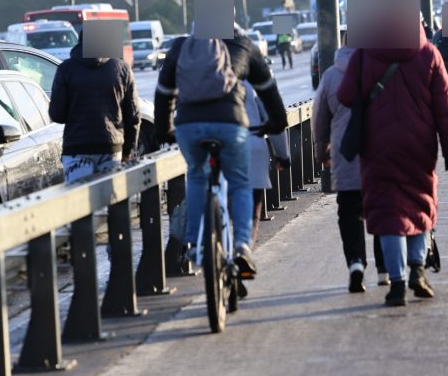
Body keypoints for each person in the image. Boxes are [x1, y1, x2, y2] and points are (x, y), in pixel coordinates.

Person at [337, 17, 448, 307]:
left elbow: (345, 95)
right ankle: (418, 269)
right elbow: (446, 106)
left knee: (387, 213)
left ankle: (396, 282)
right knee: (420, 203)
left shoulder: (364, 54)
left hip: (377, 144)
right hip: (419, 144)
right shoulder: (429, 53)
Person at [155, 24, 287, 279]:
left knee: (196, 176)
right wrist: (277, 122)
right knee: (239, 182)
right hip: (230, 123)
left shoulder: (182, 46)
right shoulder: (243, 44)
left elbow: (164, 94)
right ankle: (241, 247)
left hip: (189, 126)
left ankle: (192, 243)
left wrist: (164, 130)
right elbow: (268, 91)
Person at [313, 37, 387, 292]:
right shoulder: (384, 69)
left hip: (346, 154)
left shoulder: (331, 75)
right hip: (380, 153)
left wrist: (322, 152)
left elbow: (319, 119)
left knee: (348, 211)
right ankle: (384, 269)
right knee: (382, 209)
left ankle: (356, 263)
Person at [48, 33, 140, 183]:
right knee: (111, 202)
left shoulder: (66, 69)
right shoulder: (123, 68)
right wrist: (127, 151)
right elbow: (134, 117)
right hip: (111, 148)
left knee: (80, 203)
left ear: (80, 43)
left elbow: (57, 115)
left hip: (76, 149)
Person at [244, 82, 290, 244]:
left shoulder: (204, 73)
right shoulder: (251, 76)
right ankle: (245, 244)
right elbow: (273, 117)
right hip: (250, 144)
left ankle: (195, 240)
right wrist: (283, 156)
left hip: (209, 142)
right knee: (250, 202)